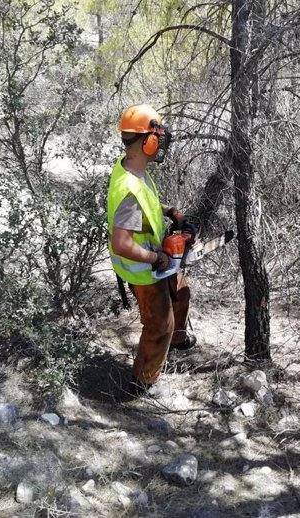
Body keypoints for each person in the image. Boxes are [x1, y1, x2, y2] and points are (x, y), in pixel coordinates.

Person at [106, 104, 197, 394]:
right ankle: (143, 382)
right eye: (158, 137)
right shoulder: (129, 190)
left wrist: (172, 212)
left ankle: (179, 340)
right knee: (160, 327)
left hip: (156, 257)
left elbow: (147, 204)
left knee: (181, 292)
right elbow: (121, 244)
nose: (161, 144)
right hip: (143, 269)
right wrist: (156, 257)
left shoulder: (133, 169)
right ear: (148, 140)